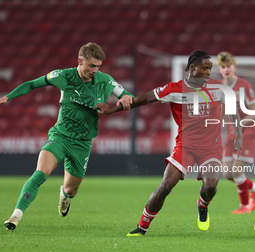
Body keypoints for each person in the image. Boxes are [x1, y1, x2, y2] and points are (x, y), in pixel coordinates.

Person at [96, 50, 243, 236]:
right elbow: (143, 99)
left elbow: (233, 110)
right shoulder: (174, 89)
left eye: (210, 68)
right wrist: (111, 110)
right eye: (205, 68)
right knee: (166, 185)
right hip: (185, 145)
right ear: (191, 68)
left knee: (211, 186)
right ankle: (142, 227)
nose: (208, 72)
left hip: (210, 146)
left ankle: (202, 204)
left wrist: (238, 135)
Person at [0, 42, 133, 231]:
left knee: (71, 189)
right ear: (80, 61)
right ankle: (15, 216)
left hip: (82, 143)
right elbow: (33, 84)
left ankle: (65, 196)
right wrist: (7, 97)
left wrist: (126, 96)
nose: (95, 70)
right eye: (92, 65)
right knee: (40, 173)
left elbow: (126, 94)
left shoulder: (105, 80)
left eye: (98, 66)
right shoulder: (63, 76)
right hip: (60, 136)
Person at [216, 51, 255, 214]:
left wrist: (240, 124)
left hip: (248, 130)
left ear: (234, 67)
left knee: (236, 171)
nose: (226, 69)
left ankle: (244, 206)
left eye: (228, 66)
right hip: (231, 132)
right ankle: (254, 187)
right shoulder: (219, 88)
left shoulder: (244, 85)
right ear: (219, 69)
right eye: (223, 67)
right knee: (227, 173)